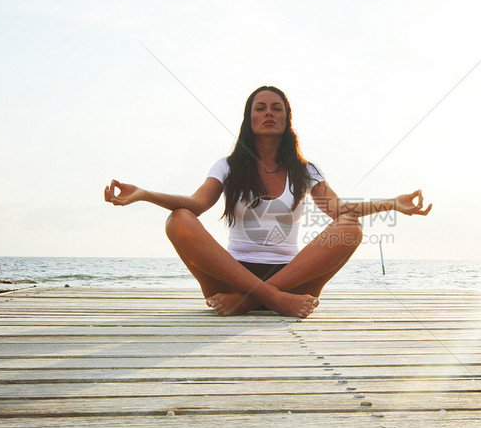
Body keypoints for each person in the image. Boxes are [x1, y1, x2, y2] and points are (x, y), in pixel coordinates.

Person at [104, 85, 431, 318]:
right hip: (230, 275)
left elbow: (339, 210)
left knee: (350, 227)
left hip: (293, 276)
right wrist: (144, 195)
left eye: (277, 108)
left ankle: (248, 302)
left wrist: (393, 203)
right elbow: (196, 203)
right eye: (260, 108)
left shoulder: (306, 171)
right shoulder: (228, 166)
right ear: (248, 119)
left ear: (288, 118)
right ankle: (272, 299)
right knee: (178, 219)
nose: (269, 113)